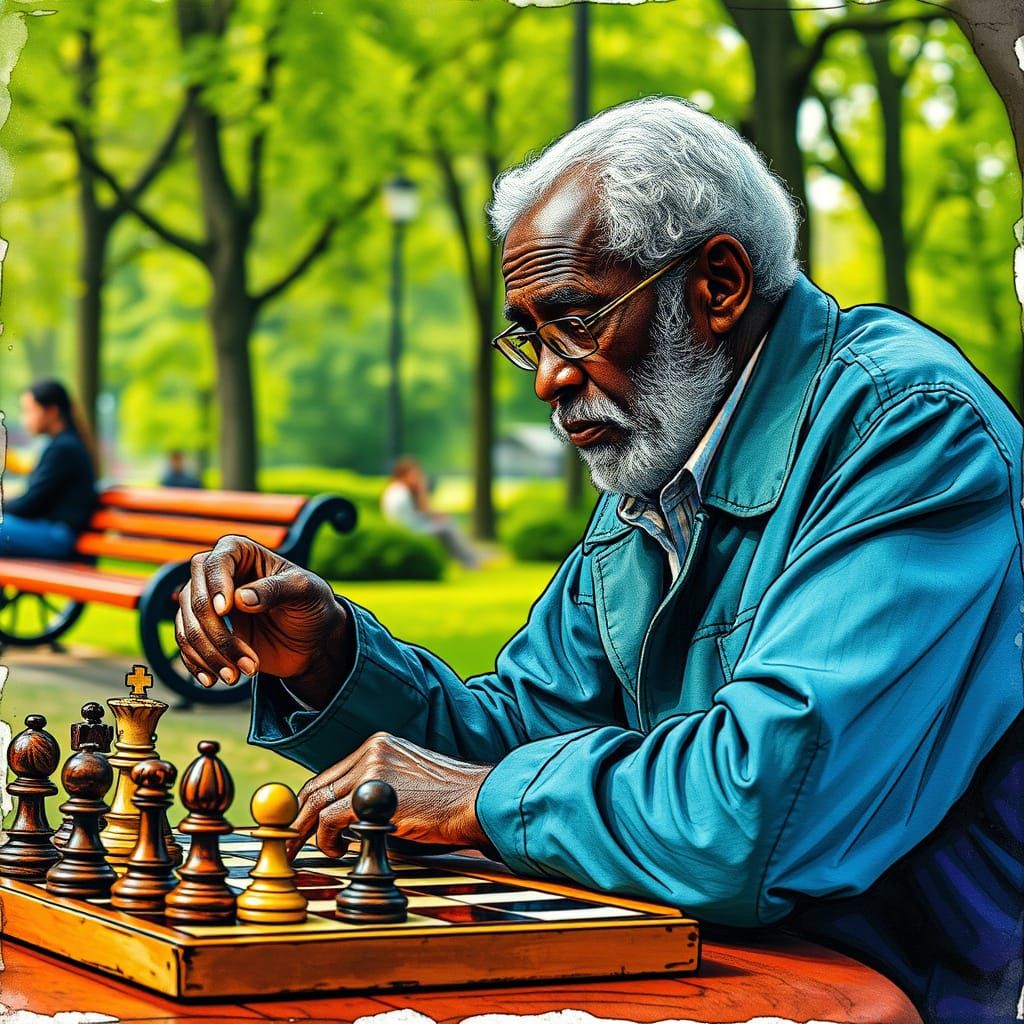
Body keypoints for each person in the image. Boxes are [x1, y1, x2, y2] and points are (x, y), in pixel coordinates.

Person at [174, 98, 1022, 1024]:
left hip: (903, 989)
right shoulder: (663, 465)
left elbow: (758, 813)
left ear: (720, 285)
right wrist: (332, 659)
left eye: (577, 319)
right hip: (720, 960)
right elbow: (526, 731)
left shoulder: (908, 427)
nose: (547, 375)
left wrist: (483, 799)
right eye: (530, 336)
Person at [1, 379, 97, 559]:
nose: (25, 419)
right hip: (50, 531)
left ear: (52, 411)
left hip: (58, 537)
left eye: (29, 411)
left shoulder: (64, 448)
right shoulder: (62, 444)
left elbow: (29, 505)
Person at [380, 456, 479, 568]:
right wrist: (422, 488)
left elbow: (417, 513)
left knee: (445, 523)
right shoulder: (400, 493)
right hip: (410, 531)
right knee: (446, 527)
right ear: (404, 475)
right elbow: (417, 516)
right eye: (414, 475)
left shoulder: (397, 489)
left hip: (410, 528)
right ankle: (470, 561)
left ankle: (470, 558)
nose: (417, 478)